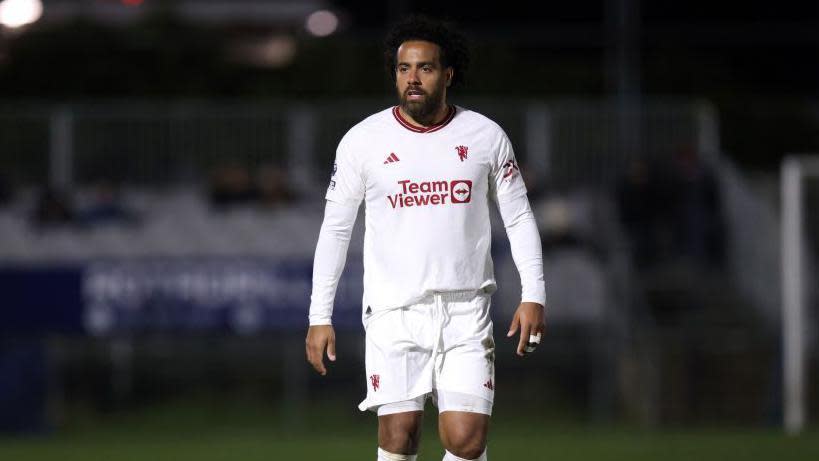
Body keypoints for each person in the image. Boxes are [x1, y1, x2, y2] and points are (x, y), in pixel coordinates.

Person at [305, 16, 547, 461]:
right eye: (403, 69)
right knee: (399, 435)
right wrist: (319, 315)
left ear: (448, 74)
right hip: (394, 311)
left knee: (466, 439)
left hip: (466, 309)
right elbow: (336, 230)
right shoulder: (363, 142)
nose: (412, 78)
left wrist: (534, 294)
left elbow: (518, 216)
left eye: (425, 68)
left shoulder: (485, 136)